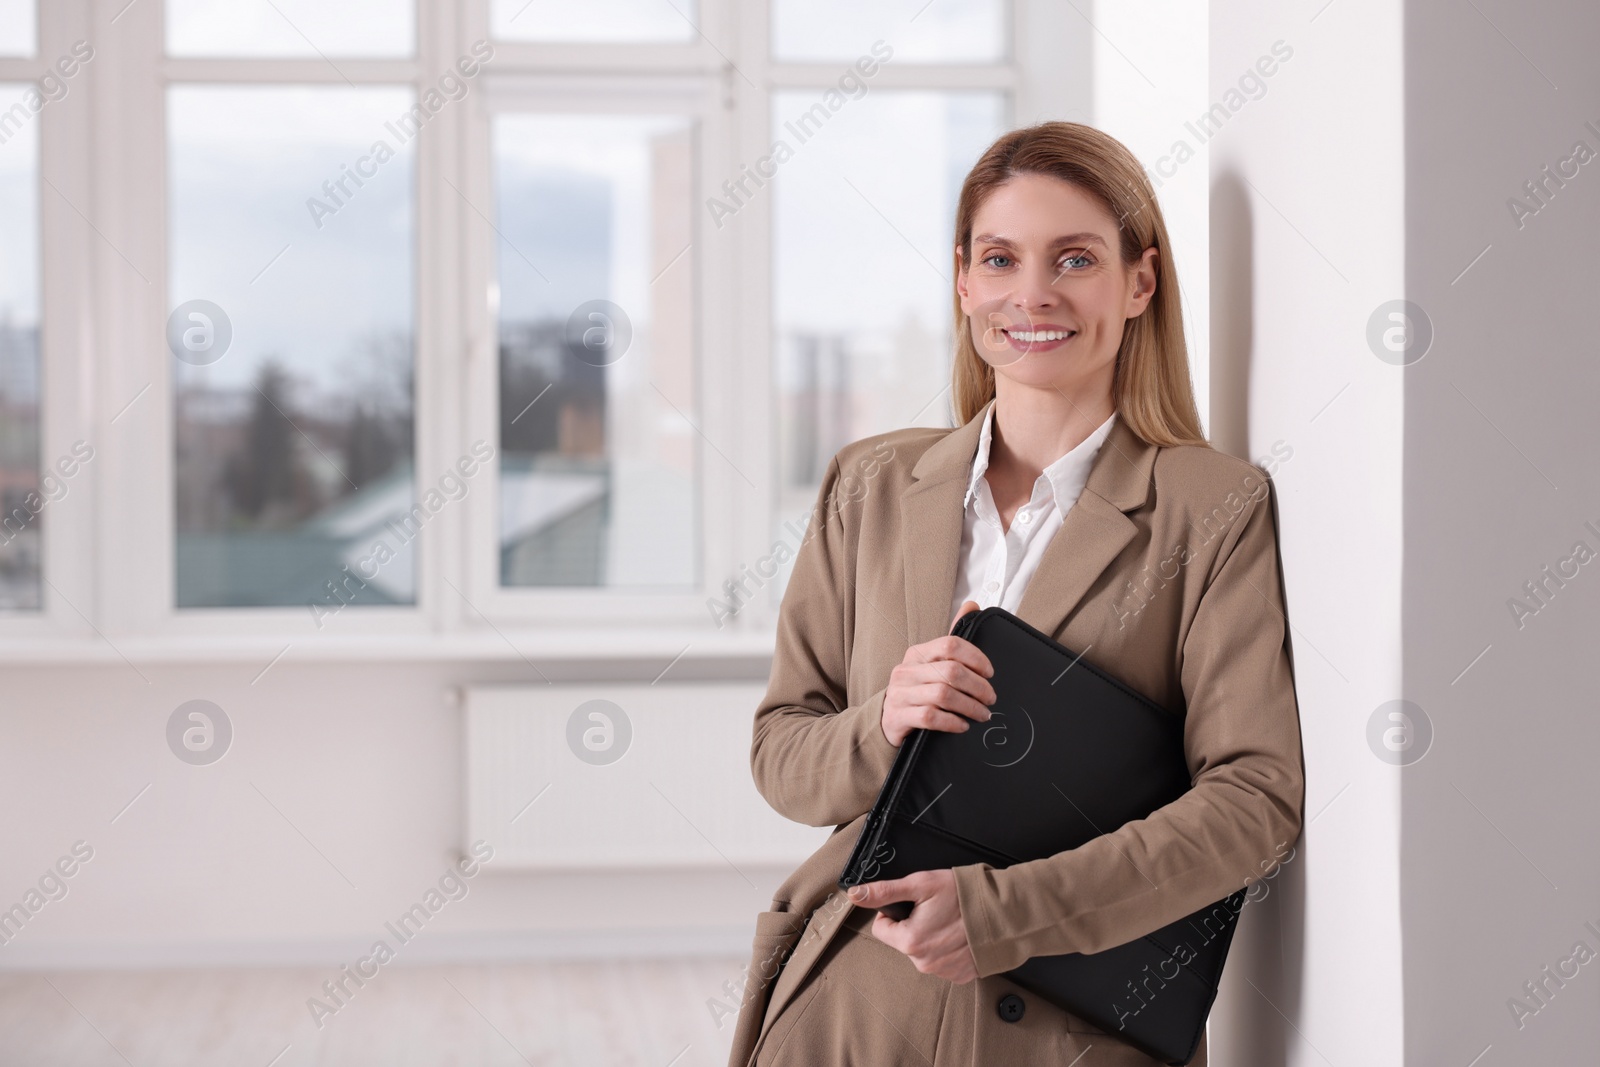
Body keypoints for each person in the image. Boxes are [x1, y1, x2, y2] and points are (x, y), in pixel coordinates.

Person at [726, 121, 1305, 1067]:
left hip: (1071, 1037)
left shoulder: (1212, 507)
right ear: (964, 283)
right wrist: (885, 723)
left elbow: (1254, 799)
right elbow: (782, 750)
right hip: (850, 1011)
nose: (1031, 294)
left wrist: (1006, 913)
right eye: (1000, 259)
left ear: (1139, 283)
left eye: (1073, 258)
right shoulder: (868, 484)